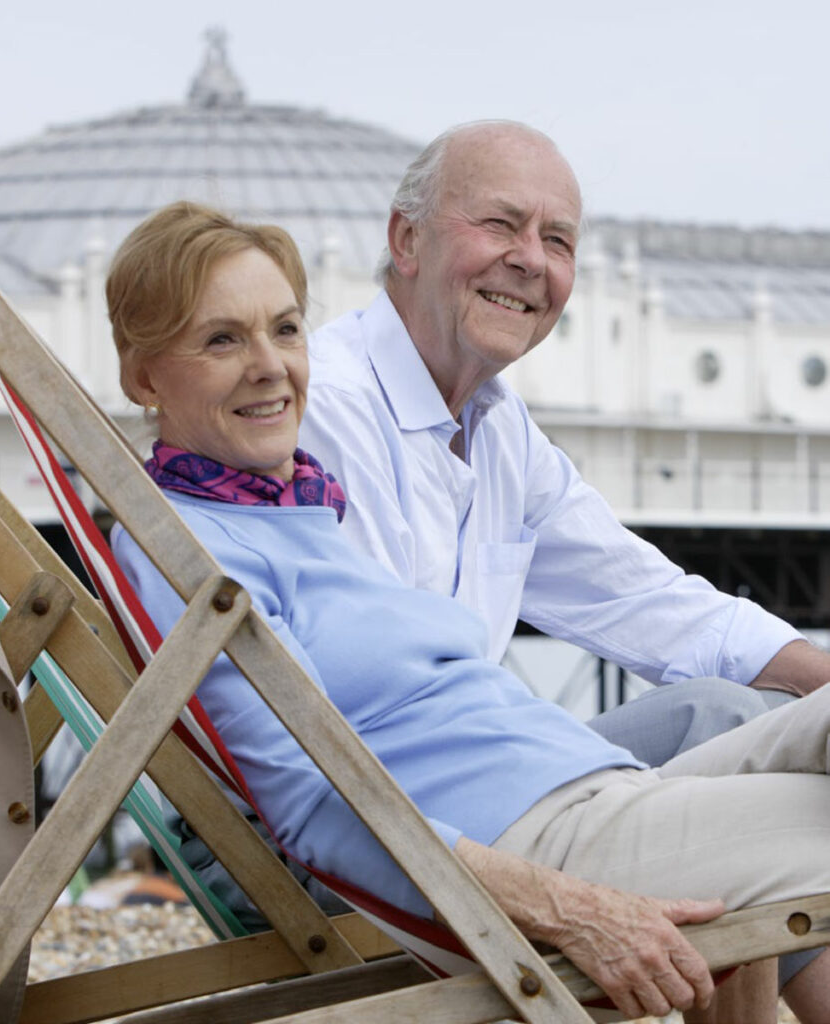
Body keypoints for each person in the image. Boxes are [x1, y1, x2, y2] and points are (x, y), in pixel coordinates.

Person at [107, 201, 830, 1022]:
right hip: (531, 840)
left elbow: (638, 593)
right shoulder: (194, 554)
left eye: (285, 329)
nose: (270, 365)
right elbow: (313, 807)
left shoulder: (294, 512)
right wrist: (564, 908)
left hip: (589, 790)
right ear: (142, 375)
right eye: (221, 339)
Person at [298, 121, 830, 1007]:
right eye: (500, 225)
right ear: (405, 239)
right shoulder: (326, 408)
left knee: (740, 705)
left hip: (474, 784)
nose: (529, 261)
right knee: (779, 790)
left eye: (557, 241)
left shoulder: (498, 430)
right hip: (382, 828)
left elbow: (657, 604)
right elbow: (364, 723)